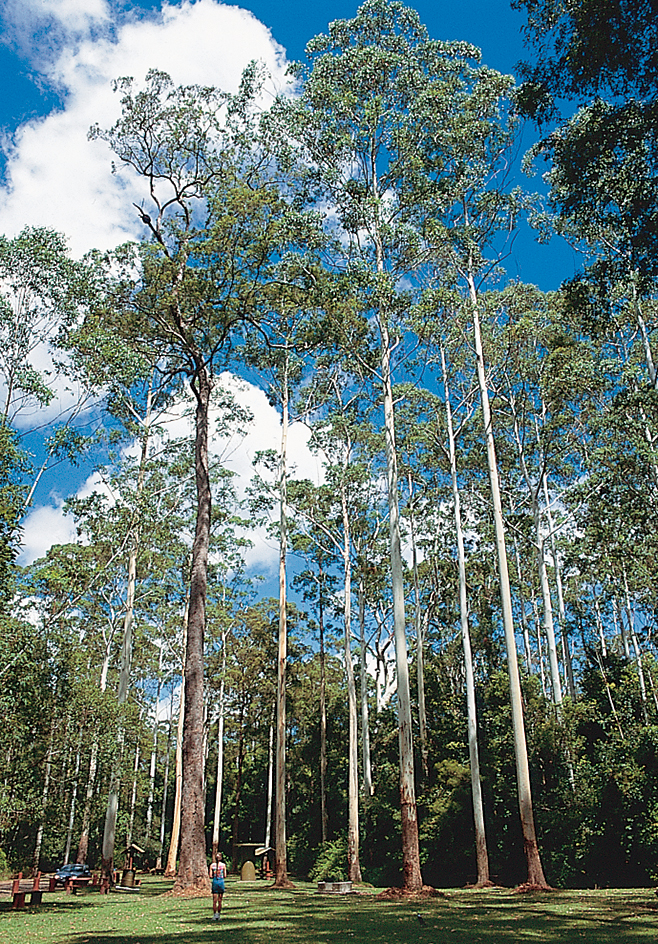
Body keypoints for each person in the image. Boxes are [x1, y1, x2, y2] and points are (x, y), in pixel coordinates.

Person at [209, 852, 227, 921]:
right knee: (220, 900)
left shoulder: (212, 866)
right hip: (221, 882)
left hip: (215, 882)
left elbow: (210, 876)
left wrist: (214, 873)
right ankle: (218, 915)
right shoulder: (223, 865)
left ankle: (215, 915)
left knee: (214, 900)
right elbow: (225, 875)